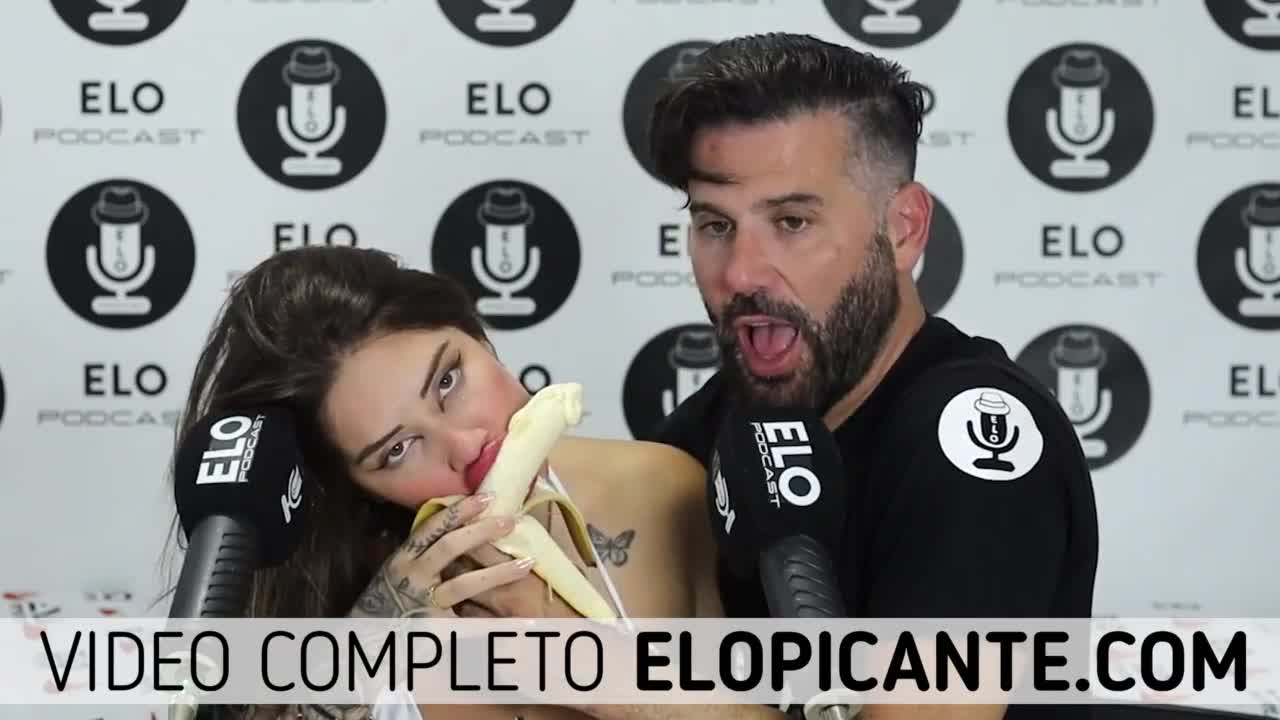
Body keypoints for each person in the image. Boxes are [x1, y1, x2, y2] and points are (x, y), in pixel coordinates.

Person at [637, 32, 1101, 720]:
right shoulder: (723, 418)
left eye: (792, 221)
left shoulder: (974, 442)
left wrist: (629, 693)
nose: (740, 274)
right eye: (715, 226)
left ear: (904, 229)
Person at [160, 245, 722, 719]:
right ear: (359, 487)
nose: (465, 445)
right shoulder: (370, 632)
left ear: (476, 334)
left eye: (449, 380)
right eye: (397, 450)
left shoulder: (657, 490)